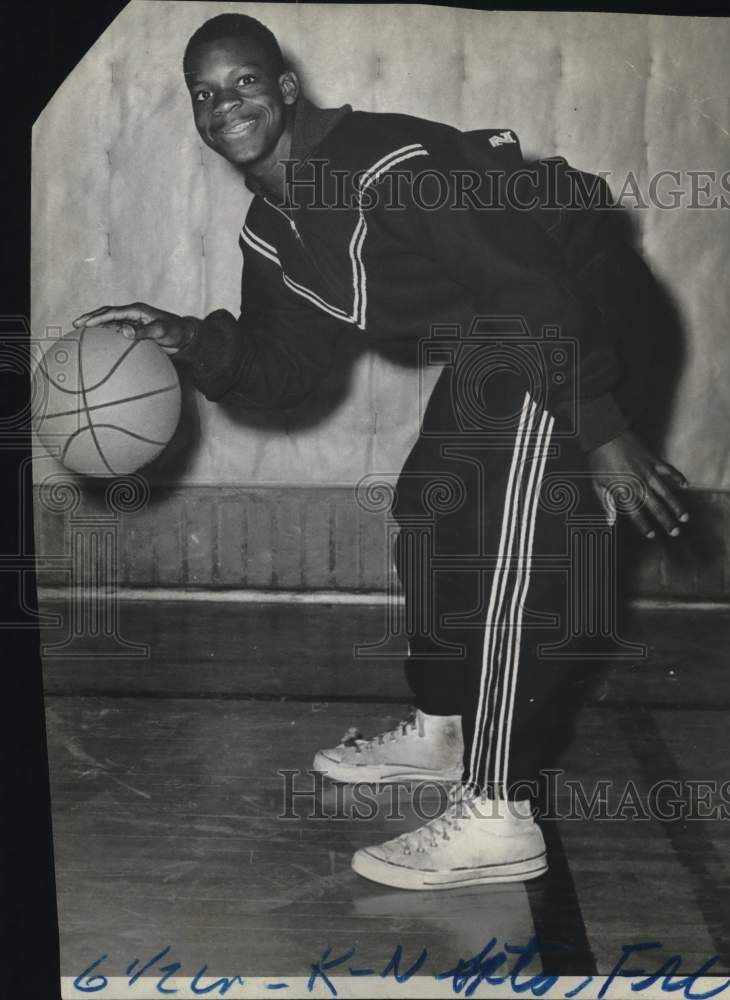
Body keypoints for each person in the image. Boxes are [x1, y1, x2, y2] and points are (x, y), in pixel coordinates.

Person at [75, 13, 689, 891]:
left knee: (514, 546)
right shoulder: (275, 226)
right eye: (205, 95)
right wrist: (180, 336)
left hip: (575, 308)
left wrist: (604, 429)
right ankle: (444, 728)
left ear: (286, 89)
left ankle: (498, 812)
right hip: (504, 328)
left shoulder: (389, 167)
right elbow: (284, 369)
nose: (226, 105)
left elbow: (535, 286)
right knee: (430, 507)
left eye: (245, 81)